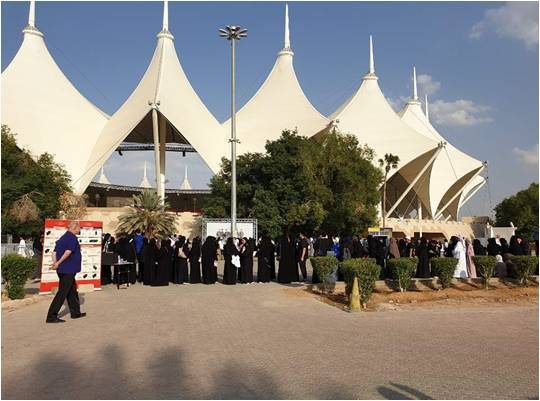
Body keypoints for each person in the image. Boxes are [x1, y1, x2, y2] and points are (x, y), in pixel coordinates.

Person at [46, 221, 85, 323]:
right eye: (79, 228)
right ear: (74, 228)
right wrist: (58, 263)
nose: (80, 230)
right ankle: (51, 316)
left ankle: (75, 312)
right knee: (62, 292)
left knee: (72, 290)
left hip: (63, 269)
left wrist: (55, 263)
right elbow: (68, 252)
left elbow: (54, 252)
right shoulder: (72, 238)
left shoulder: (62, 238)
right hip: (68, 269)